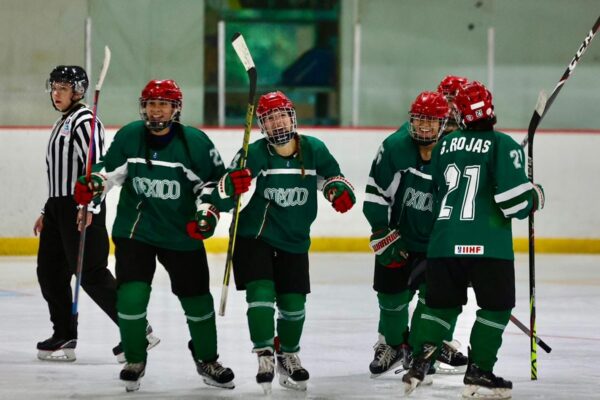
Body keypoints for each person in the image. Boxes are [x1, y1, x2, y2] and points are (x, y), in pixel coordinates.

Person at [75, 79, 245, 392]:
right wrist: (95, 185)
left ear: (175, 109)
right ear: (144, 107)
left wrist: (206, 213)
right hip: (136, 229)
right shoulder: (130, 135)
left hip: (182, 233)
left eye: (163, 104)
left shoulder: (195, 142)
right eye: (151, 103)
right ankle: (135, 358)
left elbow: (211, 186)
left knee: (197, 302)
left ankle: (207, 359)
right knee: (131, 296)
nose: (156, 110)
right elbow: (109, 171)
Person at [402, 81, 545, 399]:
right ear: (491, 110)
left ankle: (420, 361)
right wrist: (535, 194)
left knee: (440, 306)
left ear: (459, 114)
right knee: (496, 309)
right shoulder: (502, 144)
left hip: (443, 244)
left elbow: (436, 191)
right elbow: (513, 203)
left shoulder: (445, 144)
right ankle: (480, 373)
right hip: (488, 246)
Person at [210, 91, 355, 394]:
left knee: (294, 304)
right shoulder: (254, 152)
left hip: (294, 237)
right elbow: (225, 190)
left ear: (292, 117)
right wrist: (229, 188)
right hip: (254, 235)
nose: (277, 122)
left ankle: (287, 353)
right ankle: (264, 353)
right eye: (270, 117)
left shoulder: (314, 149)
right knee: (261, 293)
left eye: (281, 115)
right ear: (261, 124)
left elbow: (332, 178)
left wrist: (338, 190)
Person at [35, 65, 158, 363]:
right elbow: (60, 173)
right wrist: (47, 209)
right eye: (54, 87)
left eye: (63, 88)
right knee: (50, 273)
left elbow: (97, 168)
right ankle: (64, 334)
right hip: (59, 208)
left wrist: (89, 205)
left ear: (78, 91)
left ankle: (138, 329)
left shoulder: (85, 122)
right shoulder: (63, 122)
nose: (56, 93)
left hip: (82, 207)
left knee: (91, 274)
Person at [363, 90, 467, 379]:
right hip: (402, 237)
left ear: (442, 123)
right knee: (391, 298)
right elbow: (375, 194)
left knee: (440, 299)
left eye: (431, 122)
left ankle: (428, 346)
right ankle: (393, 345)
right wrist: (382, 233)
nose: (424, 127)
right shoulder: (395, 147)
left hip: (438, 242)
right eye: (419, 120)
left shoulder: (455, 151)